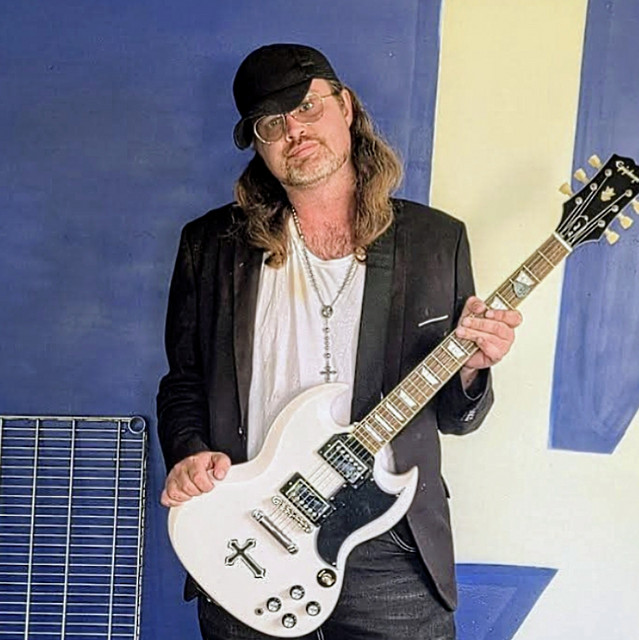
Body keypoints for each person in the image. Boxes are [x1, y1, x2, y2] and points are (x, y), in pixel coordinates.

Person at [157, 43, 521, 640]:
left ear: (345, 107)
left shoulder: (435, 241)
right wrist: (189, 451)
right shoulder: (210, 245)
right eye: (270, 124)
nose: (293, 131)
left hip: (391, 541)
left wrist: (471, 370)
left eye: (306, 107)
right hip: (251, 529)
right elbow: (184, 381)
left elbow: (458, 417)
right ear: (258, 146)